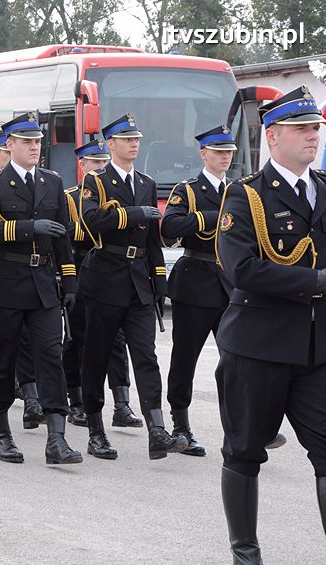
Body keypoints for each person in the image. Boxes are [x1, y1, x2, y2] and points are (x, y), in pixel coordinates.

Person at [214, 86, 326, 562]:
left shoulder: (324, 187)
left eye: (316, 129)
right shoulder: (245, 197)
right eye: (302, 129)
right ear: (273, 135)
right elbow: (241, 269)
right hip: (258, 347)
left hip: (317, 350)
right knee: (244, 451)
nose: (313, 137)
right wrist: (316, 281)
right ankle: (246, 552)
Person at [0, 113, 81, 464]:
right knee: (1, 357)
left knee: (50, 355)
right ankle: (2, 434)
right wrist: (28, 227)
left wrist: (70, 279)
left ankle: (56, 439)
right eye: (27, 142)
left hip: (44, 283)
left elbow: (62, 236)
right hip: (5, 280)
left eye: (37, 142)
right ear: (10, 146)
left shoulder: (52, 181)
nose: (35, 147)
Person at [78, 114, 187, 460]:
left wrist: (158, 279)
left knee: (146, 356)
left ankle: (157, 429)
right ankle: (95, 430)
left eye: (136, 138)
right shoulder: (96, 180)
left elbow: (153, 241)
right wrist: (135, 213)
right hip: (104, 277)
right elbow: (91, 219)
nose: (133, 144)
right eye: (126, 139)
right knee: (96, 356)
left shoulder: (146, 181)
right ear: (110, 145)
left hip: (139, 281)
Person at [160, 125, 235, 456]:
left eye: (229, 151)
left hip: (229, 285)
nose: (225, 156)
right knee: (185, 359)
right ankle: (181, 425)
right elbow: (169, 227)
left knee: (236, 360)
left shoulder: (238, 190)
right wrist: (208, 217)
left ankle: (241, 427)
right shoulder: (187, 190)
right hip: (195, 282)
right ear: (203, 154)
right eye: (218, 151)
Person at [62, 140, 138, 428]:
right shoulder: (69, 197)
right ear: (82, 166)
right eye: (94, 162)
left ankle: (122, 404)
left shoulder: (119, 192)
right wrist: (107, 222)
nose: (100, 167)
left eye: (103, 162)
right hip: (79, 267)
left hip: (110, 271)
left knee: (116, 340)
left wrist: (110, 221)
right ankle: (77, 400)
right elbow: (69, 232)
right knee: (77, 338)